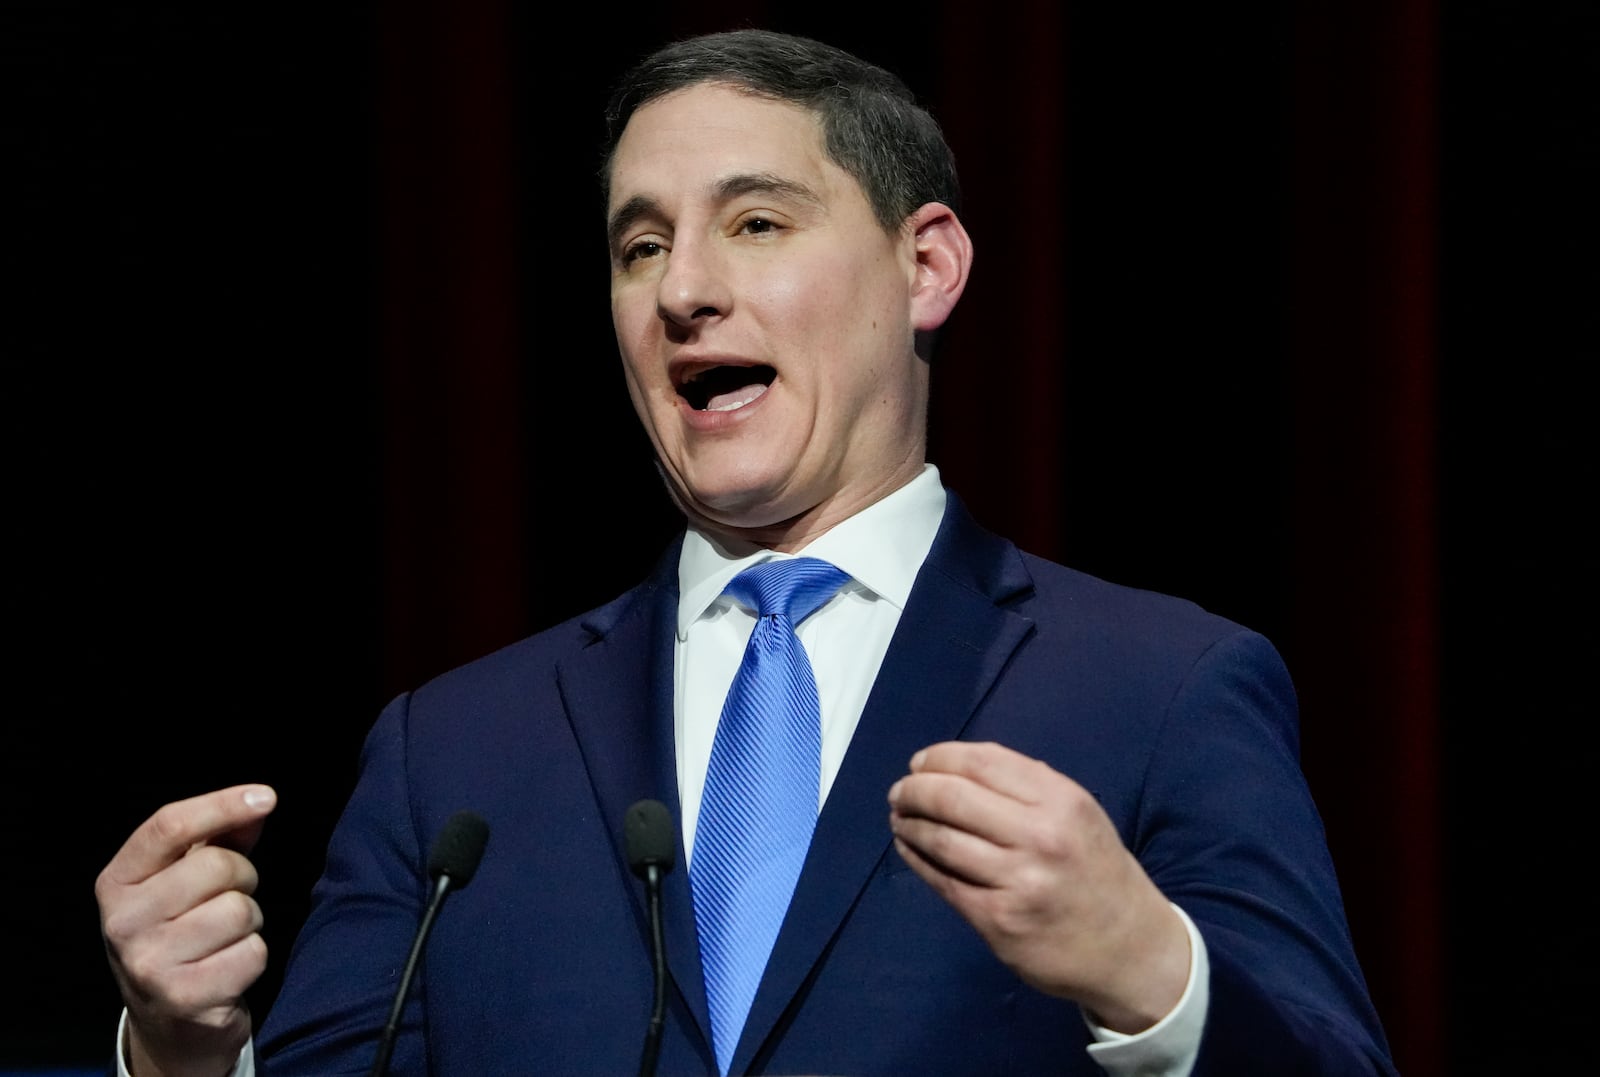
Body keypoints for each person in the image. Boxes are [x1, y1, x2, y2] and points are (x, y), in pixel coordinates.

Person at [95, 28, 1397, 1077]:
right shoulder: (455, 753)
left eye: (757, 223)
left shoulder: (1161, 686)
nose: (681, 289)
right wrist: (183, 1054)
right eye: (641, 244)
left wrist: (1151, 976)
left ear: (926, 265)